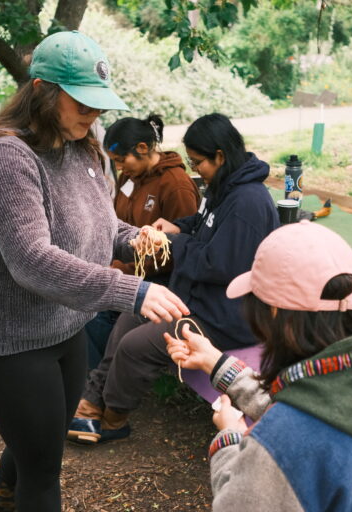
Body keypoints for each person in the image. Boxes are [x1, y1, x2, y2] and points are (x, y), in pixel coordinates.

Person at [0, 31, 189, 512]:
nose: (93, 114)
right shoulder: (6, 157)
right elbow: (31, 259)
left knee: (39, 442)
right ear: (42, 90)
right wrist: (131, 290)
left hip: (66, 327)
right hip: (9, 342)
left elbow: (102, 223)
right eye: (82, 103)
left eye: (97, 103)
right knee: (43, 471)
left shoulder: (81, 144)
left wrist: (134, 238)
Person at [164, 220, 352, 511]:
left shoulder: (280, 444)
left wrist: (229, 437)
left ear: (273, 311)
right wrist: (216, 362)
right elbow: (315, 410)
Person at [67, 113, 280, 444]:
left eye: (198, 163)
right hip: (200, 299)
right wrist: (178, 226)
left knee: (136, 346)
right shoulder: (223, 186)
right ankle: (93, 399)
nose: (195, 169)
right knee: (130, 316)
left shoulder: (248, 202)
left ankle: (115, 417)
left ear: (220, 156)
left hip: (227, 316)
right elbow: (202, 223)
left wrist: (173, 243)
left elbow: (222, 265)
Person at [84, 114, 200, 369]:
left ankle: (103, 377)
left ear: (143, 148)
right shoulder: (129, 178)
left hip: (161, 280)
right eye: (115, 162)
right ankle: (96, 375)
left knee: (95, 312)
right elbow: (117, 226)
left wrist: (119, 270)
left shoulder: (176, 185)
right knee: (82, 299)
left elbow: (177, 253)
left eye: (121, 160)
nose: (120, 168)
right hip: (125, 268)